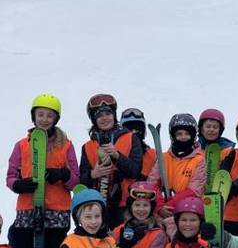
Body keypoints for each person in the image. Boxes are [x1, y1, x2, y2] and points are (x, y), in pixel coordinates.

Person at [5, 93, 79, 248]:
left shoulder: (66, 145)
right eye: (41, 115)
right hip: (28, 206)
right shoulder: (22, 145)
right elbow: (10, 176)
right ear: (34, 116)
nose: (44, 119)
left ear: (56, 119)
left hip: (57, 209)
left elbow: (75, 180)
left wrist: (63, 175)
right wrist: (18, 184)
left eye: (49, 116)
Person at [79, 93, 142, 226]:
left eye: (108, 114)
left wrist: (117, 156)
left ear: (114, 115)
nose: (104, 118)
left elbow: (136, 171)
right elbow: (81, 180)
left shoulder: (131, 138)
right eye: (99, 116)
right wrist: (93, 175)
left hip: (125, 207)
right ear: (94, 120)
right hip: (97, 208)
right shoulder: (87, 147)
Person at [147, 113, 207, 196]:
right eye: (179, 134)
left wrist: (173, 201)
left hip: (189, 206)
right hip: (163, 205)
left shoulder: (199, 160)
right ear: (173, 136)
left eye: (187, 134)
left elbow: (195, 189)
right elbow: (152, 183)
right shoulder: (163, 158)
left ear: (193, 136)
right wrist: (160, 204)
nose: (183, 137)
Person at [117, 107, 156, 204]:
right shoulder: (116, 153)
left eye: (138, 129)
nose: (134, 132)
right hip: (120, 206)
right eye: (130, 129)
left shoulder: (153, 155)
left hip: (146, 206)